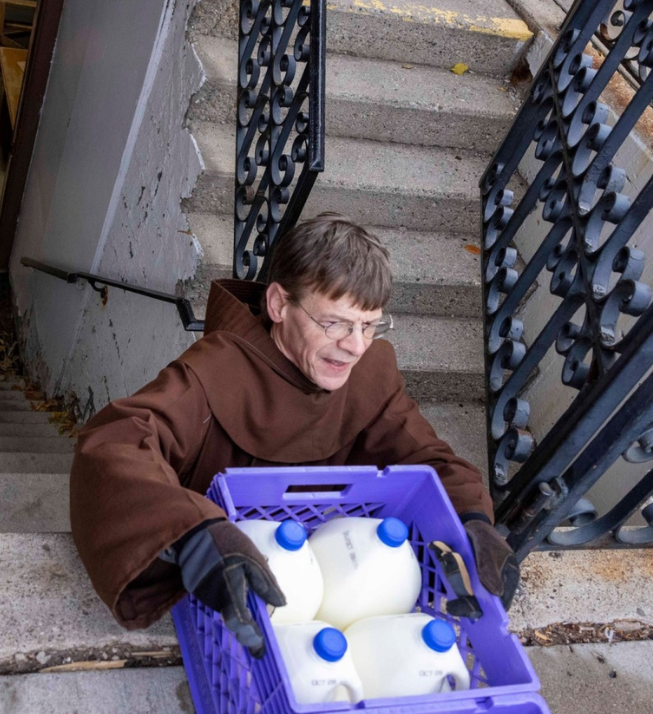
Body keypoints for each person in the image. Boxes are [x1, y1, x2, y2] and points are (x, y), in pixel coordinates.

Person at [69, 213, 520, 657]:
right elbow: (115, 443)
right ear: (279, 305)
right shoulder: (213, 373)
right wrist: (192, 532)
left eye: (369, 325)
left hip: (331, 586)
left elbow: (429, 457)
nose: (355, 346)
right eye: (336, 323)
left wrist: (472, 520)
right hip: (227, 599)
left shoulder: (370, 374)